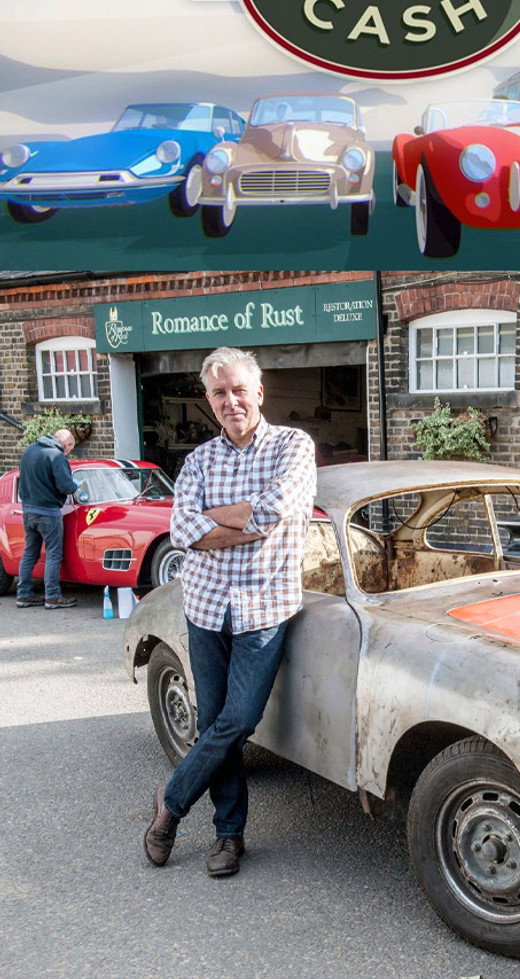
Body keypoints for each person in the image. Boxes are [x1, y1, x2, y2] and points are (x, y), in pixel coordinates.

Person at [144, 346, 316, 878]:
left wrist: (213, 522)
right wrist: (242, 523)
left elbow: (274, 511)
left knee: (237, 721)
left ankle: (170, 803)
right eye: (219, 392)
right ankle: (228, 834)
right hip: (204, 607)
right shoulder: (198, 461)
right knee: (214, 722)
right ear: (209, 399)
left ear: (259, 392)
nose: (230, 400)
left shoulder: (293, 446)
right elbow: (182, 530)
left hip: (264, 607)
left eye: (239, 389)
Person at [16, 428, 79, 610]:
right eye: (70, 448)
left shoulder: (29, 450)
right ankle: (52, 596)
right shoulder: (57, 456)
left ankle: (24, 595)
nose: (68, 451)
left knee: (29, 554)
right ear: (67, 444)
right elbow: (65, 486)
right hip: (48, 512)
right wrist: (75, 485)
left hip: (28, 510)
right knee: (53, 554)